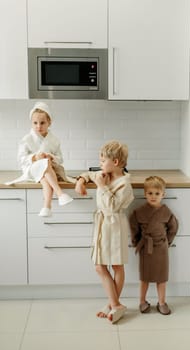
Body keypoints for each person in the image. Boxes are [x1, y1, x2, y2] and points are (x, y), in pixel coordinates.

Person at [75, 140, 134, 324]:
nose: (100, 164)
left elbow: (112, 207)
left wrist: (102, 186)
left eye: (102, 160)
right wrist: (81, 181)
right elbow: (88, 173)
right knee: (99, 266)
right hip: (102, 226)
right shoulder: (104, 174)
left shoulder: (125, 184)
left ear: (115, 162)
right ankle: (115, 304)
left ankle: (113, 305)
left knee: (116, 266)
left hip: (115, 226)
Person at [6, 102, 73, 216]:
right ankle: (59, 193)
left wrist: (52, 157)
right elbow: (20, 159)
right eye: (35, 123)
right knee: (43, 163)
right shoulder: (27, 139)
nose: (38, 126)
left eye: (42, 123)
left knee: (44, 176)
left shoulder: (54, 140)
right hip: (31, 170)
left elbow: (60, 159)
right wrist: (34, 157)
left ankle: (47, 207)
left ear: (49, 122)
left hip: (48, 172)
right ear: (31, 123)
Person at [129, 176, 178, 315]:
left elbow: (173, 227)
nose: (153, 196)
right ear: (145, 194)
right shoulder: (138, 212)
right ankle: (142, 301)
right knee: (144, 277)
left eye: (157, 193)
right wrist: (136, 242)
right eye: (150, 193)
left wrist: (166, 242)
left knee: (161, 277)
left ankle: (162, 302)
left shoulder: (166, 212)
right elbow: (134, 228)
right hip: (146, 248)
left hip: (161, 248)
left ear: (163, 194)